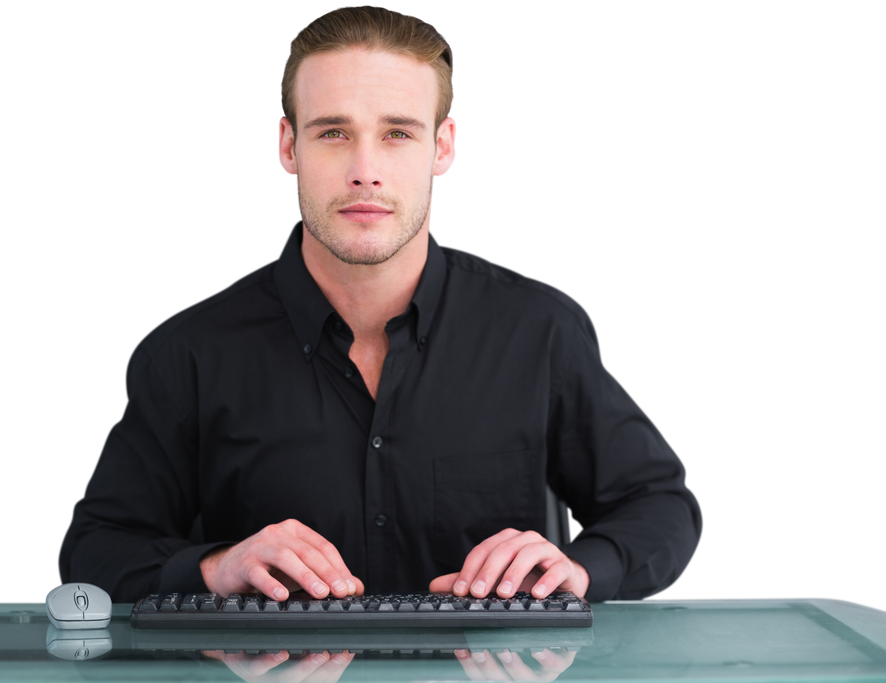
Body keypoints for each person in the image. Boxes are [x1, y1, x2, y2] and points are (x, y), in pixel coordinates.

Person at [56, 4, 704, 604]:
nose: (365, 169)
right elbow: (95, 549)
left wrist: (583, 567)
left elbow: (662, 505)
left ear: (443, 148)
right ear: (287, 146)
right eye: (334, 132)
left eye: (397, 134)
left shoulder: (540, 330)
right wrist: (211, 568)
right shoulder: (186, 353)